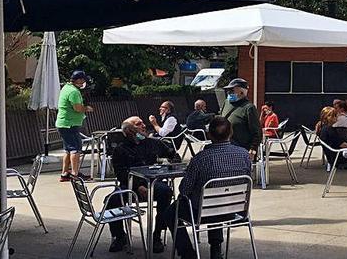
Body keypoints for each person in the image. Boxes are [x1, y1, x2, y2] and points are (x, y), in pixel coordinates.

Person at [165, 116, 251, 259]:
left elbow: (184, 190)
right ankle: (216, 249)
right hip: (235, 210)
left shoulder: (200, 159)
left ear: (209, 134)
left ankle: (188, 254)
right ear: (231, 133)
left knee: (171, 212)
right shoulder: (244, 155)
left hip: (203, 213)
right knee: (215, 200)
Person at [107, 116, 181, 253]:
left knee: (166, 192)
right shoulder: (120, 149)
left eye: (142, 123)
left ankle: (157, 234)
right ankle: (119, 236)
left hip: (153, 183)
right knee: (111, 200)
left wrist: (172, 160)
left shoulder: (152, 143)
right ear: (129, 131)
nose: (143, 126)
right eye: (138, 124)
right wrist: (137, 186)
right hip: (130, 186)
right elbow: (121, 174)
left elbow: (173, 155)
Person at [56, 70, 93, 182]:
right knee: (75, 149)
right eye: (83, 80)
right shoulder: (73, 92)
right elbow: (77, 108)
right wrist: (87, 108)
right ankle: (75, 174)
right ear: (79, 80)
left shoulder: (66, 88)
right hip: (70, 124)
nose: (84, 83)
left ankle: (65, 173)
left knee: (68, 149)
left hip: (64, 124)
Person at [219, 78, 261, 159]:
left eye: (232, 90)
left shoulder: (249, 108)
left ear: (242, 92)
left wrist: (253, 149)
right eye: (228, 90)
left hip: (241, 149)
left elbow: (257, 131)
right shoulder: (226, 103)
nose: (229, 93)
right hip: (225, 146)